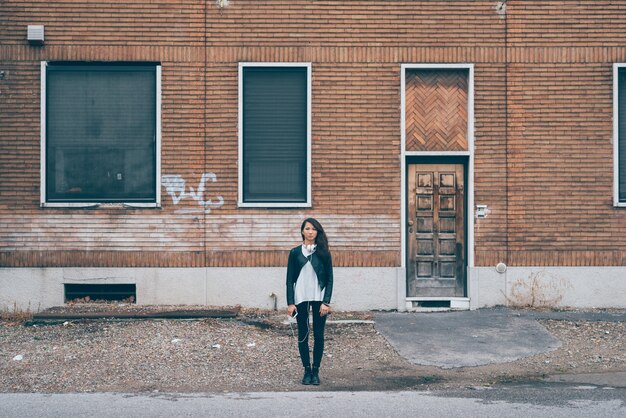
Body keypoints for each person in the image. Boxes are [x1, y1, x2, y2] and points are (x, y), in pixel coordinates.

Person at [286, 218, 334, 385]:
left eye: (314, 229)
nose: (311, 232)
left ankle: (316, 371)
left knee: (319, 335)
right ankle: (306, 370)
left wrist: (326, 302)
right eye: (307, 228)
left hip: (319, 299)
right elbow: (289, 280)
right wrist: (290, 302)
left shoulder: (324, 253)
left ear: (317, 232)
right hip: (300, 298)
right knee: (303, 335)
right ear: (302, 231)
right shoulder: (294, 253)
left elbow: (329, 279)